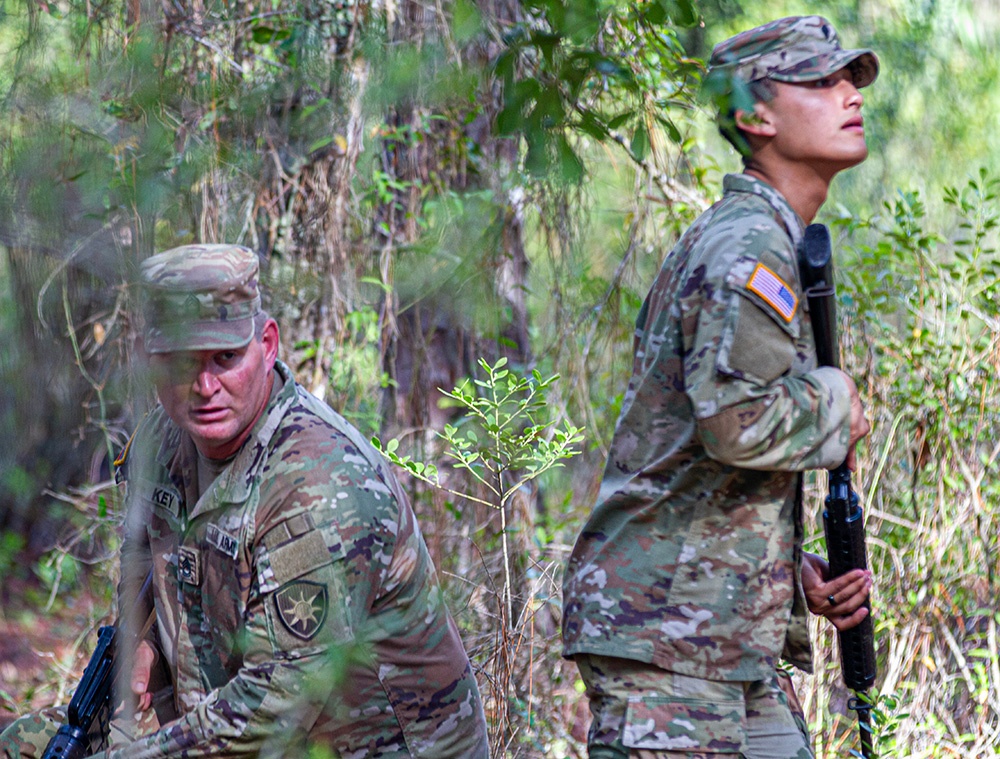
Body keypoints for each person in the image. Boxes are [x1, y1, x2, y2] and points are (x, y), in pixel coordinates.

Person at [1, 244, 489, 758]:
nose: (205, 386)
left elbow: (268, 713)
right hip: (217, 710)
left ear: (267, 343)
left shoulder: (320, 487)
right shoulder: (162, 441)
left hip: (351, 743)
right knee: (23, 745)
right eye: (182, 362)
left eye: (226, 358)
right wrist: (140, 636)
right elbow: (142, 555)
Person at [561, 16, 878, 759]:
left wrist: (786, 571)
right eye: (820, 80)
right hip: (668, 641)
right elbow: (734, 421)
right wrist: (837, 401)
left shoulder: (756, 233)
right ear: (754, 116)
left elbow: (693, 446)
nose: (848, 95)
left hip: (713, 632)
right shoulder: (747, 243)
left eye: (849, 80)